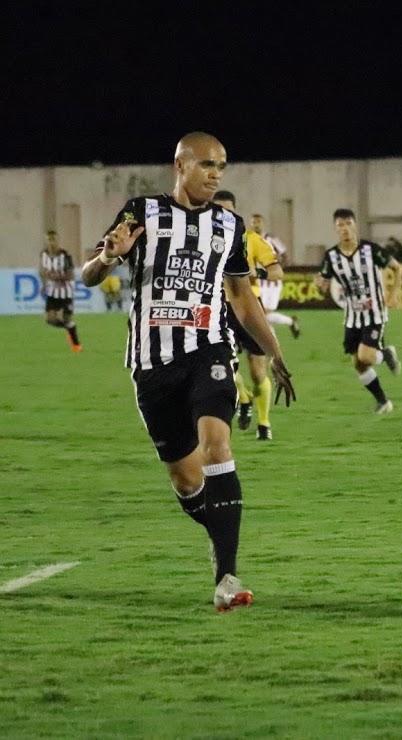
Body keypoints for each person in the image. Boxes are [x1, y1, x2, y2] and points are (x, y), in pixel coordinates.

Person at [80, 131, 295, 612]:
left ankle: (227, 578)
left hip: (209, 350)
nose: (217, 174)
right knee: (185, 479)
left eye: (222, 166)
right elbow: (89, 276)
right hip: (151, 364)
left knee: (217, 442)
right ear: (180, 166)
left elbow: (241, 296)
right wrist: (108, 256)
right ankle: (218, 532)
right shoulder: (141, 213)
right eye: (207, 165)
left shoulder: (229, 226)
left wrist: (275, 352)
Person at [315, 208, 402, 414]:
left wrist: (394, 293)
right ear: (335, 229)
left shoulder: (370, 249)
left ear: (355, 226)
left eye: (348, 224)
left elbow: (397, 267)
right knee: (358, 364)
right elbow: (324, 284)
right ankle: (383, 401)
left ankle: (385, 354)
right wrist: (320, 285)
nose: (345, 229)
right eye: (340, 225)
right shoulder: (331, 257)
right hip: (352, 317)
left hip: (374, 313)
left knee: (366, 357)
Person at [215, 193, 284, 441]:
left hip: (248, 308)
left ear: (235, 212)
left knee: (257, 372)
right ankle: (243, 399)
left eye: (227, 211)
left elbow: (277, 272)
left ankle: (264, 423)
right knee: (224, 367)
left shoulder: (251, 240)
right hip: (218, 311)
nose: (222, 216)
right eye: (217, 210)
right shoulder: (201, 239)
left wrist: (257, 271)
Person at [249, 213, 301, 339]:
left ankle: (272, 345)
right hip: (257, 282)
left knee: (263, 315)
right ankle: (290, 323)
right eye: (254, 222)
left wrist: (276, 269)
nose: (256, 225)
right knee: (261, 315)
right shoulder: (247, 239)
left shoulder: (271, 239)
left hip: (272, 283)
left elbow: (286, 257)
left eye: (258, 222)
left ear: (263, 223)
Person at [39, 230, 82, 351]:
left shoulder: (65, 255)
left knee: (67, 318)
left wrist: (55, 277)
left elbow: (71, 275)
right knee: (50, 319)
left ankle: (76, 345)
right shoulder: (44, 255)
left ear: (58, 241)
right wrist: (44, 284)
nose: (51, 243)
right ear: (46, 241)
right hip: (52, 292)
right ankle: (70, 328)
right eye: (49, 240)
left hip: (66, 292)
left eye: (54, 240)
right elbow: (42, 271)